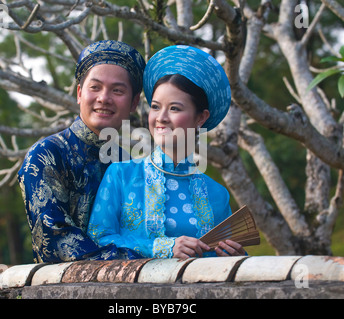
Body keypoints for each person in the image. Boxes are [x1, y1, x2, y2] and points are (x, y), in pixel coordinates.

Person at [87, 45, 246, 259]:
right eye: (155, 106)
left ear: (201, 118)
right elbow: (98, 239)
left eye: (174, 108)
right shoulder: (121, 175)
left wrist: (235, 255)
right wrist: (162, 248)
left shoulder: (217, 194)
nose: (161, 117)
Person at [18, 40, 146, 263]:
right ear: (79, 93)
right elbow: (55, 240)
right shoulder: (46, 155)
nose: (104, 98)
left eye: (117, 90)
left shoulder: (127, 162)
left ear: (134, 102)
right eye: (95, 87)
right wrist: (140, 257)